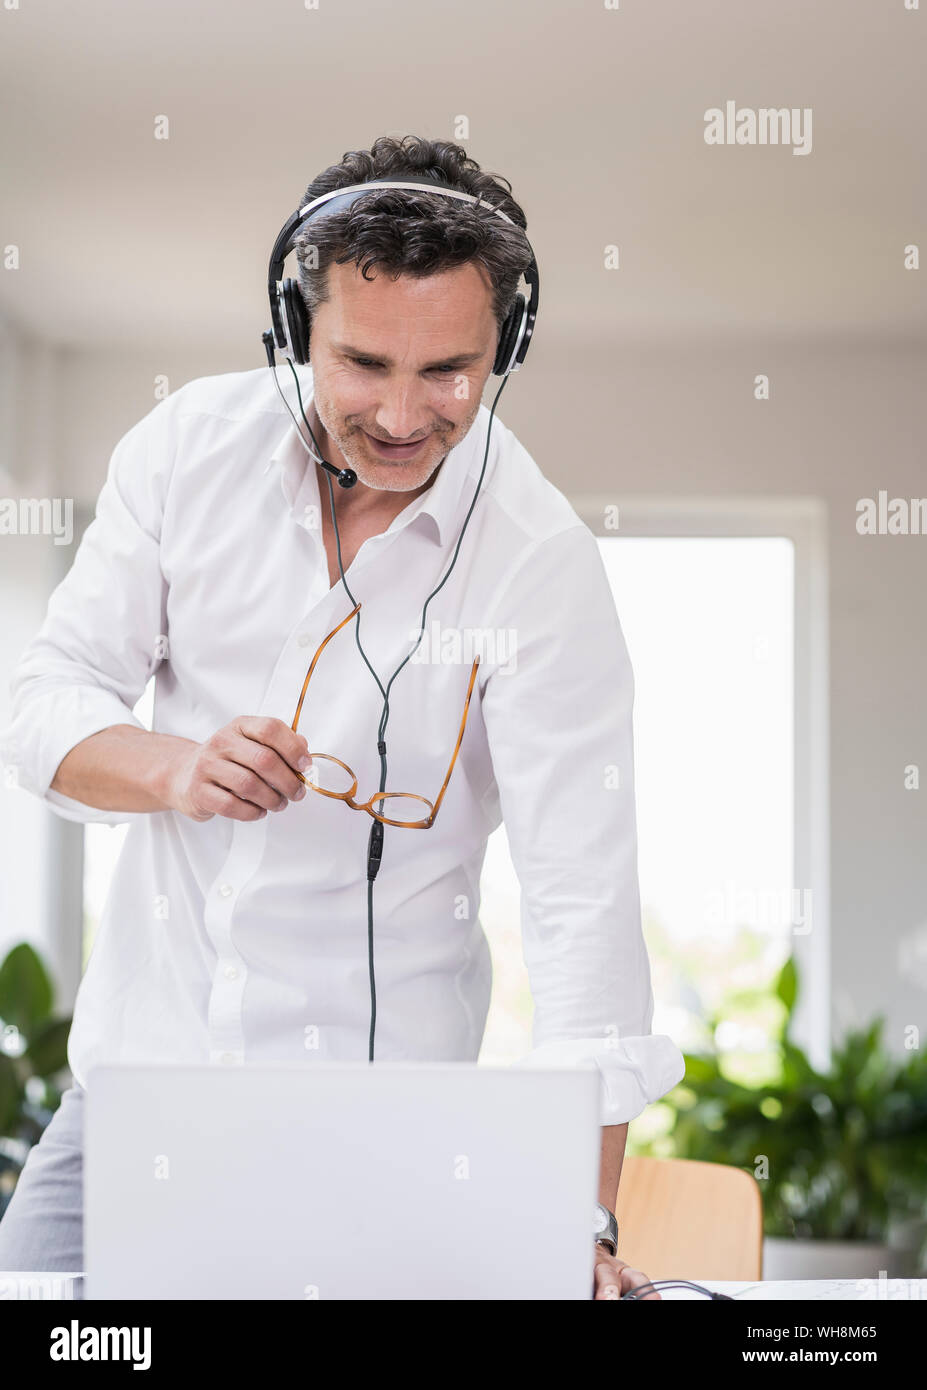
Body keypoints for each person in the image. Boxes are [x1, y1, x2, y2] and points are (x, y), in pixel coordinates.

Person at [0, 134, 684, 1299]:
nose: (406, 416)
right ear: (292, 331)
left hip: (392, 1129)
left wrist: (580, 1213)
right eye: (364, 362)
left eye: (450, 371)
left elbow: (583, 911)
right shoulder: (182, 455)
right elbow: (38, 701)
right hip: (141, 1093)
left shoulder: (539, 563)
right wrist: (176, 768)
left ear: (506, 347)